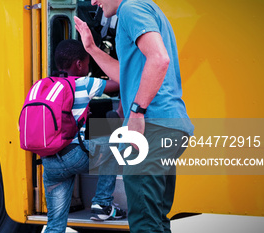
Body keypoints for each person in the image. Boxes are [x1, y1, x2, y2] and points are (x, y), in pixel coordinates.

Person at [75, 0, 194, 232]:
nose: (92, 2)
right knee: (156, 218)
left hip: (152, 126)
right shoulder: (143, 8)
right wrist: (91, 49)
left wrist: (137, 112)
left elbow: (159, 59)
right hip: (168, 125)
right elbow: (126, 74)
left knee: (144, 222)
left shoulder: (131, 8)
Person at [41, 39, 124, 233]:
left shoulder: (46, 85)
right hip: (74, 156)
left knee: (55, 224)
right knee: (113, 141)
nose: (89, 67)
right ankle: (102, 203)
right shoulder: (85, 83)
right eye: (88, 63)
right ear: (79, 64)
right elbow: (120, 81)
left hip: (49, 162)